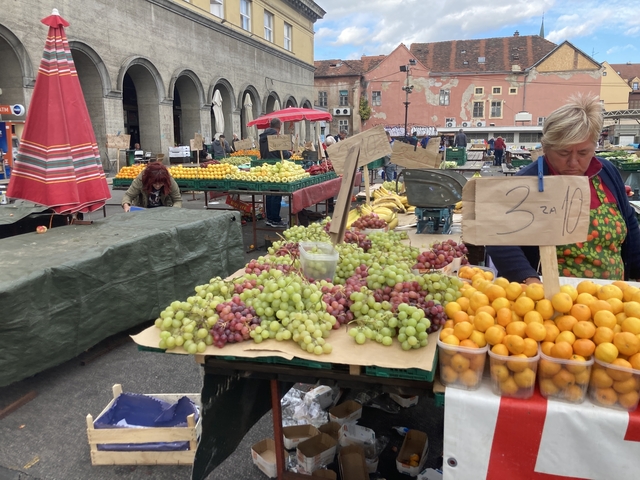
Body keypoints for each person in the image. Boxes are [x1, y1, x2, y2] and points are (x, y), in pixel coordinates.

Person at [486, 94, 640, 284]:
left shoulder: (607, 172)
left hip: (613, 300)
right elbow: (498, 238)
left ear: (595, 146)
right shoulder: (526, 182)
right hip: (552, 301)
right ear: (545, 148)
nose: (573, 162)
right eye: (563, 153)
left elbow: (629, 222)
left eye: (583, 153)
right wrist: (528, 279)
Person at [259, 117, 291, 228]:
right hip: (276, 168)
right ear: (280, 126)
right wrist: (289, 154)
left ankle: (270, 218)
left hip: (266, 167)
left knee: (269, 193)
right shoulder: (277, 136)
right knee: (276, 193)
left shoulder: (262, 137)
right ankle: (275, 219)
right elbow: (284, 154)